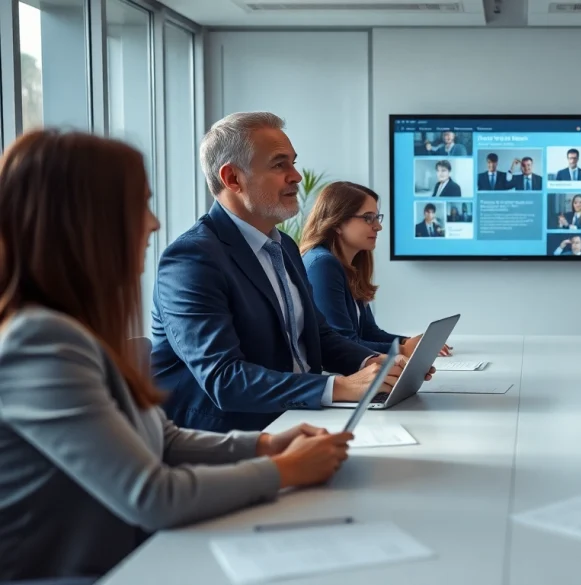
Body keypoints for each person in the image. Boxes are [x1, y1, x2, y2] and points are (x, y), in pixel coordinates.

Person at [0, 130, 352, 581]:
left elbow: (163, 438)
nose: (153, 224)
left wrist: (265, 444)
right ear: (83, 221)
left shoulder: (75, 326)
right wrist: (283, 470)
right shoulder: (39, 343)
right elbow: (152, 497)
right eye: (139, 205)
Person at [150, 112, 423, 434]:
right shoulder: (192, 259)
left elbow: (318, 336)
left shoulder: (284, 247)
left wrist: (373, 365)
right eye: (280, 165)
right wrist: (339, 388)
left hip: (298, 418)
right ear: (233, 178)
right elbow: (224, 379)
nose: (295, 176)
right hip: (231, 438)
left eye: (293, 163)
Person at [301, 182, 451, 357]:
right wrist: (402, 350)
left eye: (377, 218)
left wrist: (408, 342)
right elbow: (342, 343)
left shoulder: (349, 264)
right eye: (367, 218)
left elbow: (369, 332)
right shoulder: (322, 265)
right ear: (337, 223)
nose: (378, 227)